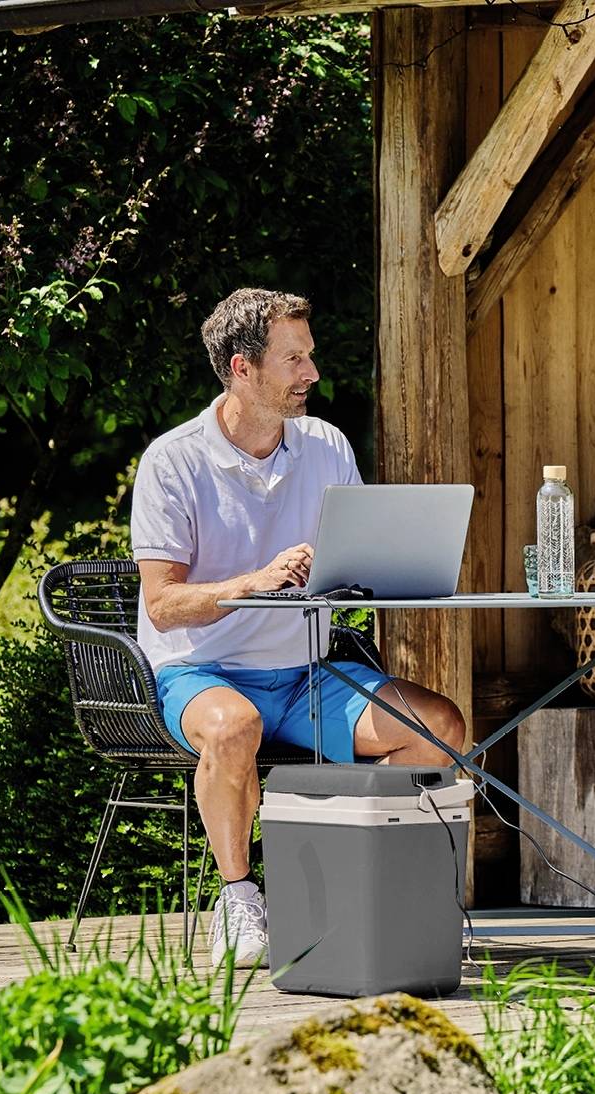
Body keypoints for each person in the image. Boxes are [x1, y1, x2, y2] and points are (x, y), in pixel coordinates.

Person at [131, 287, 467, 968]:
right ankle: (238, 899)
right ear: (242, 368)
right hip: (203, 672)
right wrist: (254, 581)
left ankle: (362, 890)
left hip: (308, 673)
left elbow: (354, 565)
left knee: (442, 732)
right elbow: (164, 605)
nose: (311, 373)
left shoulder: (325, 445)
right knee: (233, 729)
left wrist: (367, 569)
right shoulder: (174, 462)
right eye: (294, 359)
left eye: (309, 356)